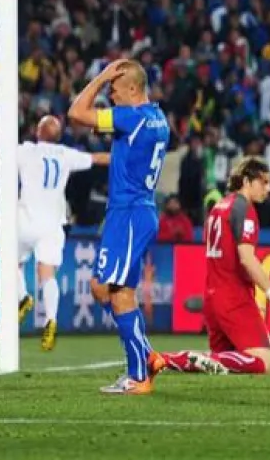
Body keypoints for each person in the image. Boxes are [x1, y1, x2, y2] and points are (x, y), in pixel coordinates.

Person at [0, 115, 109, 351]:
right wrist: (128, 157)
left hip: (26, 219)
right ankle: (51, 320)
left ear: (38, 131)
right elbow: (97, 158)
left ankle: (23, 297)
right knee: (47, 274)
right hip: (53, 222)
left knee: (11, 263)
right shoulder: (65, 154)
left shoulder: (26, 151)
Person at [68, 59, 170, 394]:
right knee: (108, 290)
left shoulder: (132, 117)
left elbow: (76, 113)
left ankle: (139, 373)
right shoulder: (157, 119)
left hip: (128, 213)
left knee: (112, 290)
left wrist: (98, 76)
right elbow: (124, 151)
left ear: (132, 88)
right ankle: (143, 358)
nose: (110, 94)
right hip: (135, 212)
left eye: (114, 88)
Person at [159, 156, 270, 375]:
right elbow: (246, 258)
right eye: (263, 182)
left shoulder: (219, 207)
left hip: (213, 296)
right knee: (262, 361)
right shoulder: (244, 209)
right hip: (233, 297)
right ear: (246, 181)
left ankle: (171, 361)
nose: (269, 188)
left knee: (224, 365)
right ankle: (184, 358)